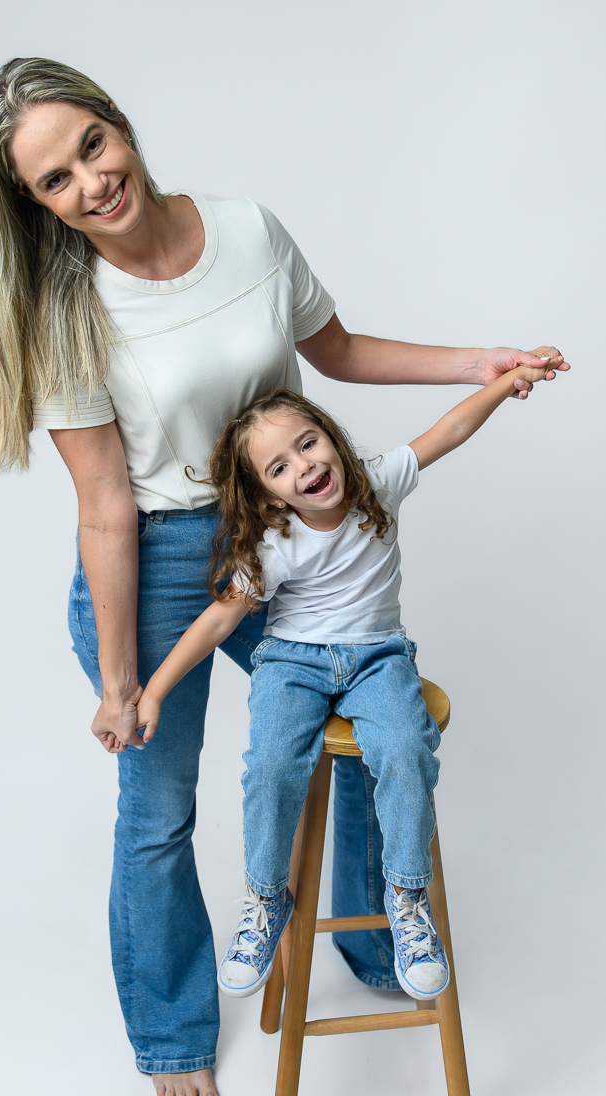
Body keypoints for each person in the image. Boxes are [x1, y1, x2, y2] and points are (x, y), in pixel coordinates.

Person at [0, 55, 568, 1096]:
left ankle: (379, 940)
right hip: (154, 558)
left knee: (365, 716)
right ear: (38, 205)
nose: (91, 184)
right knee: (158, 807)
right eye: (55, 181)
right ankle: (171, 1031)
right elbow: (105, 505)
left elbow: (333, 350)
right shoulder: (69, 314)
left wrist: (476, 364)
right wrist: (120, 679)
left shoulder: (245, 230)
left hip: (288, 530)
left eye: (92, 147)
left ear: (120, 123)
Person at [134, 363, 554, 1001]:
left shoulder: (378, 486)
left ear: (330, 437)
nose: (302, 467)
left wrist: (505, 382)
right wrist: (155, 690)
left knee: (406, 748)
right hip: (293, 664)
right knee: (272, 763)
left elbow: (449, 429)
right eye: (279, 468)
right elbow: (217, 622)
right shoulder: (274, 542)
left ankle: (406, 901)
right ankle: (267, 897)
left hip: (377, 659)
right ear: (271, 496)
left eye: (307, 444)